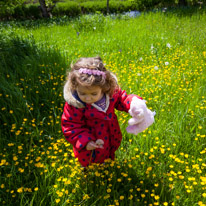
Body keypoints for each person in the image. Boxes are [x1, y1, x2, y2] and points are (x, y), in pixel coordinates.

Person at [61, 56, 143, 167]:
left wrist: (134, 104)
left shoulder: (110, 94)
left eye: (94, 94)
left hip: (110, 136)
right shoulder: (75, 105)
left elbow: (122, 99)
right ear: (75, 87)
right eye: (83, 93)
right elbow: (71, 125)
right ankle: (89, 173)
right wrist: (85, 142)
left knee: (108, 156)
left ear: (103, 87)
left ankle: (107, 167)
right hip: (89, 144)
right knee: (90, 162)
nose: (88, 98)